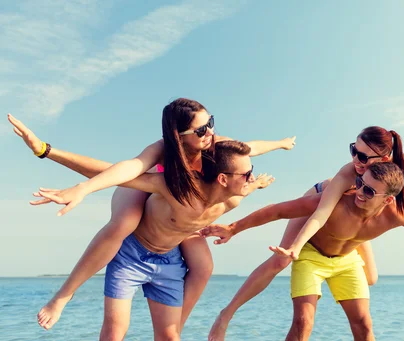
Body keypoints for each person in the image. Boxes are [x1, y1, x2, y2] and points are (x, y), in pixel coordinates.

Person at [206, 94, 404, 340]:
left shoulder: (397, 175)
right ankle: (226, 315)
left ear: (386, 158)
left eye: (364, 156)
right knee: (282, 260)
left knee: (371, 279)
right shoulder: (346, 178)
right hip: (323, 203)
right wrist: (275, 241)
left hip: (365, 215)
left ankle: (347, 243)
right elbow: (315, 214)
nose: (356, 160)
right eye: (354, 150)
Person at [7, 97, 294, 330]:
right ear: (178, 137)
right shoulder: (162, 152)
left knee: (204, 266)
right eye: (200, 130)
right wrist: (68, 172)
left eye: (211, 123)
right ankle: (64, 295)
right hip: (146, 186)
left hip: (186, 206)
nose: (210, 133)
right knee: (125, 223)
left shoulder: (216, 146)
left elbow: (251, 149)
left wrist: (280, 144)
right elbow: (124, 170)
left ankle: (174, 329)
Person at [202, 162, 404, 341]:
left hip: (348, 261)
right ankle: (226, 315)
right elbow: (277, 210)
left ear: (387, 199)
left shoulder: (399, 214)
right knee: (303, 322)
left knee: (363, 326)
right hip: (313, 257)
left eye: (369, 190)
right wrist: (233, 229)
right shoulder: (334, 200)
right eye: (360, 183)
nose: (359, 191)